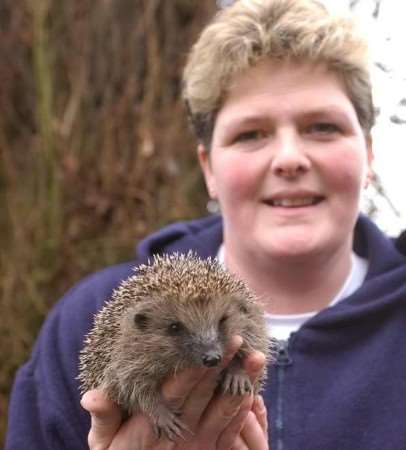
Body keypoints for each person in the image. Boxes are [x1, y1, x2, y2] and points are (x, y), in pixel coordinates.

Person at [5, 0, 406, 449]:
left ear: (369, 155)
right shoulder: (83, 318)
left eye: (323, 127)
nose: (290, 159)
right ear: (208, 167)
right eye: (250, 134)